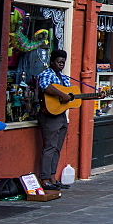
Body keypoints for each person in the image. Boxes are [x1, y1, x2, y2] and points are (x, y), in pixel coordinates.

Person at [37, 49, 71, 191]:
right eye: (58, 62)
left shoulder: (64, 78)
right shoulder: (46, 74)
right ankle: (44, 179)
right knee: (49, 147)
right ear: (52, 62)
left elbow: (70, 95)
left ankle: (53, 177)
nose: (61, 64)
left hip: (61, 115)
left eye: (63, 62)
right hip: (49, 115)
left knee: (57, 148)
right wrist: (62, 95)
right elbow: (46, 87)